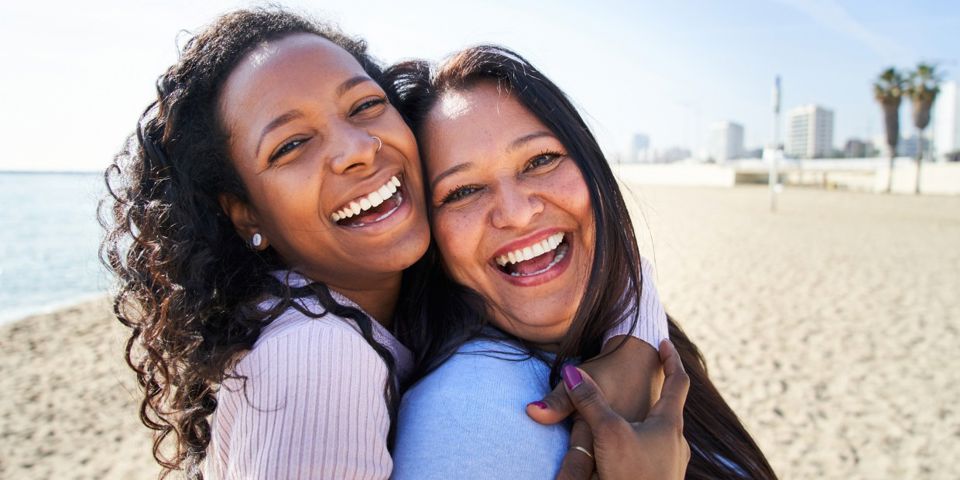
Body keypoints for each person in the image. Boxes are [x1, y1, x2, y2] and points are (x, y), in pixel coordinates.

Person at [101, 9, 673, 479]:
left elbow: (601, 256)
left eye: (365, 106)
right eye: (291, 144)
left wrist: (633, 346)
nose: (355, 148)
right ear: (246, 213)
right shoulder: (316, 356)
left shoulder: (393, 302)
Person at [387, 46, 780, 479]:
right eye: (462, 191)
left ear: (592, 168)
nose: (516, 213)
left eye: (540, 161)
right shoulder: (469, 416)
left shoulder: (641, 340)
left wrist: (637, 336)